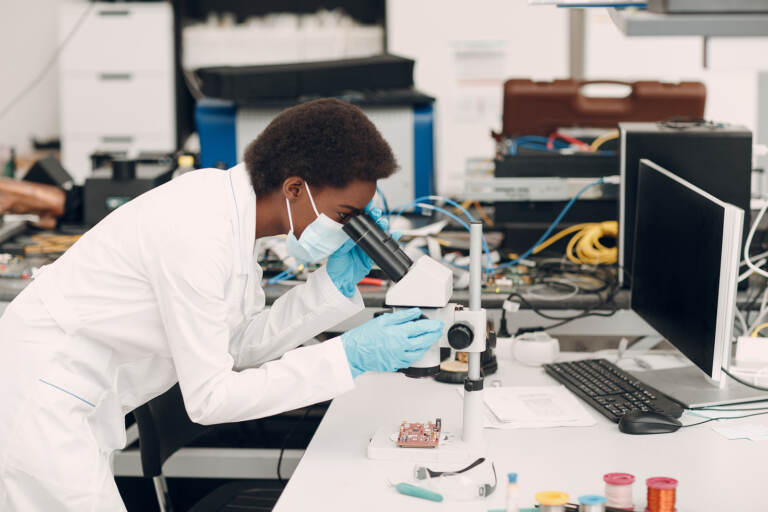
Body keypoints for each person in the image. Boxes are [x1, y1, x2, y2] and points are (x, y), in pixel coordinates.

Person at [0, 98, 445, 511]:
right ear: (294, 188)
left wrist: (329, 286)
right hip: (42, 405)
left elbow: (235, 348)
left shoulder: (232, 213)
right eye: (346, 216)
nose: (347, 229)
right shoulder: (197, 231)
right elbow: (210, 399)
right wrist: (345, 358)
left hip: (82, 399)